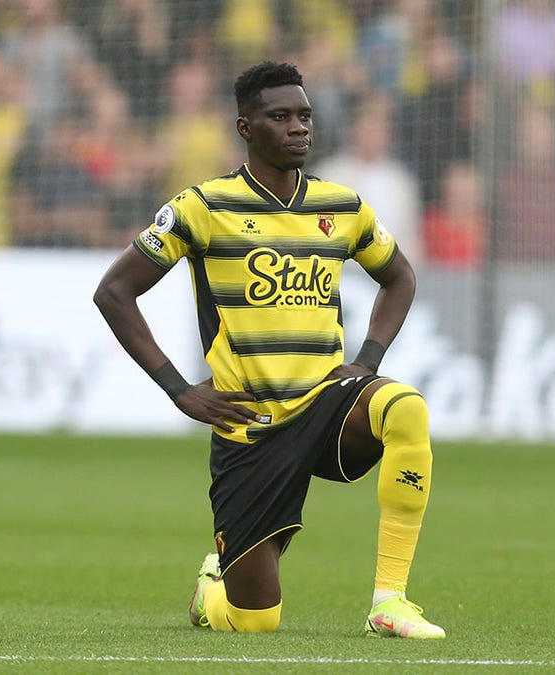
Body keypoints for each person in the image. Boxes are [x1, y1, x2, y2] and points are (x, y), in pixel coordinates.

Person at [93, 61, 445, 638]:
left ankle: (391, 601)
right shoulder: (202, 208)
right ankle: (214, 589)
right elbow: (114, 291)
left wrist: (368, 362)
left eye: (304, 116)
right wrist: (179, 390)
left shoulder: (343, 206)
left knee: (405, 407)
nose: (298, 127)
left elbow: (399, 277)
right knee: (255, 621)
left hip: (325, 401)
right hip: (249, 424)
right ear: (245, 128)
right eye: (279, 116)